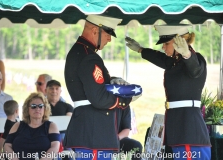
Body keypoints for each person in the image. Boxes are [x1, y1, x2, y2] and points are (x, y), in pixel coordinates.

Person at [125, 25, 211, 160]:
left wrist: (187, 54)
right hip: (177, 131)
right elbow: (159, 58)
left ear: (179, 41)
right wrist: (141, 50)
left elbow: (195, 70)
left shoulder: (195, 59)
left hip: (188, 132)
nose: (163, 47)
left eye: (166, 43)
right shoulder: (175, 62)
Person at [64, 15, 140, 160]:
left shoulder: (80, 52)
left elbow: (88, 82)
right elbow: (99, 98)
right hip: (94, 136)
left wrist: (111, 80)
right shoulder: (89, 57)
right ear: (94, 30)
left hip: (88, 133)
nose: (110, 39)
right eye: (107, 33)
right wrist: (126, 98)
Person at [4, 92, 60, 160]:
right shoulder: (17, 125)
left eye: (40, 106)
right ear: (27, 109)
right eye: (33, 106)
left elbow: (55, 148)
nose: (37, 109)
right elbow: (7, 145)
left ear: (45, 108)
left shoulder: (51, 126)